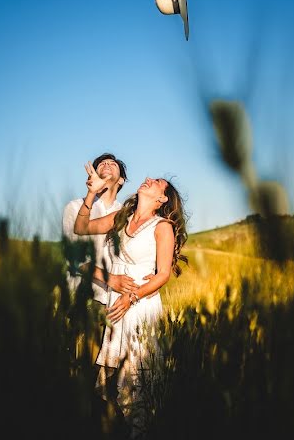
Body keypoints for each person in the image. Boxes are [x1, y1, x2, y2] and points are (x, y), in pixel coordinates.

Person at [74, 162, 188, 437]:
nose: (148, 178)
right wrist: (91, 194)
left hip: (140, 307)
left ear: (162, 199)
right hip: (117, 304)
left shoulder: (163, 227)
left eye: (157, 181)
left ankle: (142, 431)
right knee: (117, 388)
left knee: (138, 384)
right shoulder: (121, 218)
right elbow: (81, 227)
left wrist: (131, 297)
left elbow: (162, 275)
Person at [61, 153, 128, 302]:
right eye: (102, 164)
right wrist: (111, 279)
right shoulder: (75, 207)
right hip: (80, 295)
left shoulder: (127, 213)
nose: (106, 164)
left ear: (121, 180)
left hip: (115, 298)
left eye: (113, 164)